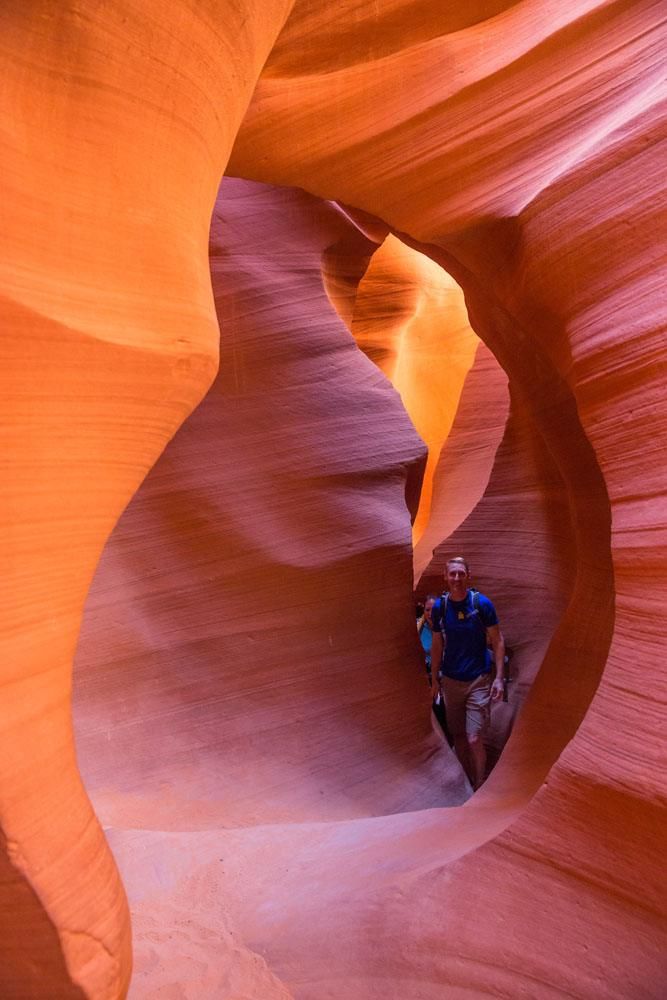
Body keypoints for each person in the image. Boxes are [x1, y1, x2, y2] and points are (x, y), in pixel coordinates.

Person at [430, 556, 505, 790]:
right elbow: (436, 646)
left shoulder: (482, 604)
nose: (456, 578)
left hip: (478, 680)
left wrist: (499, 678)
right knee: (459, 736)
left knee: (474, 737)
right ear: (445, 576)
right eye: (452, 574)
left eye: (461, 573)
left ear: (468, 576)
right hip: (451, 681)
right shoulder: (440, 608)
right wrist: (434, 680)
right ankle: (467, 781)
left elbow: (497, 640)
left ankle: (480, 780)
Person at [417, 595, 451, 743]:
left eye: (434, 609)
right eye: (427, 610)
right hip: (429, 677)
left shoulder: (448, 627)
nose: (431, 613)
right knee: (437, 711)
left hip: (449, 674)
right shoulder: (418, 629)